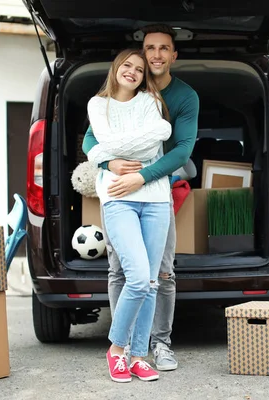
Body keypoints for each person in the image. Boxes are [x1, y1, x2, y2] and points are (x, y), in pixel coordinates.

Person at [82, 24, 199, 371]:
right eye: (151, 49)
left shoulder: (182, 97)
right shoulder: (113, 100)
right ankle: (127, 346)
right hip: (120, 193)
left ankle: (158, 343)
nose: (157, 55)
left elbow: (180, 151)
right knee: (122, 271)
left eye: (165, 48)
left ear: (173, 56)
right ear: (142, 54)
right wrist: (108, 161)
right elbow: (91, 141)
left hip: (154, 192)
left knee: (161, 273)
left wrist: (139, 177)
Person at [86, 48, 173, 383]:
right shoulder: (98, 104)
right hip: (118, 196)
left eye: (139, 69)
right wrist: (108, 153)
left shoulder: (150, 102)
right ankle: (117, 350)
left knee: (150, 283)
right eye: (127, 65)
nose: (133, 71)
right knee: (136, 277)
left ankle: (139, 356)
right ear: (116, 68)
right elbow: (103, 141)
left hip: (155, 198)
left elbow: (158, 142)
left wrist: (109, 151)